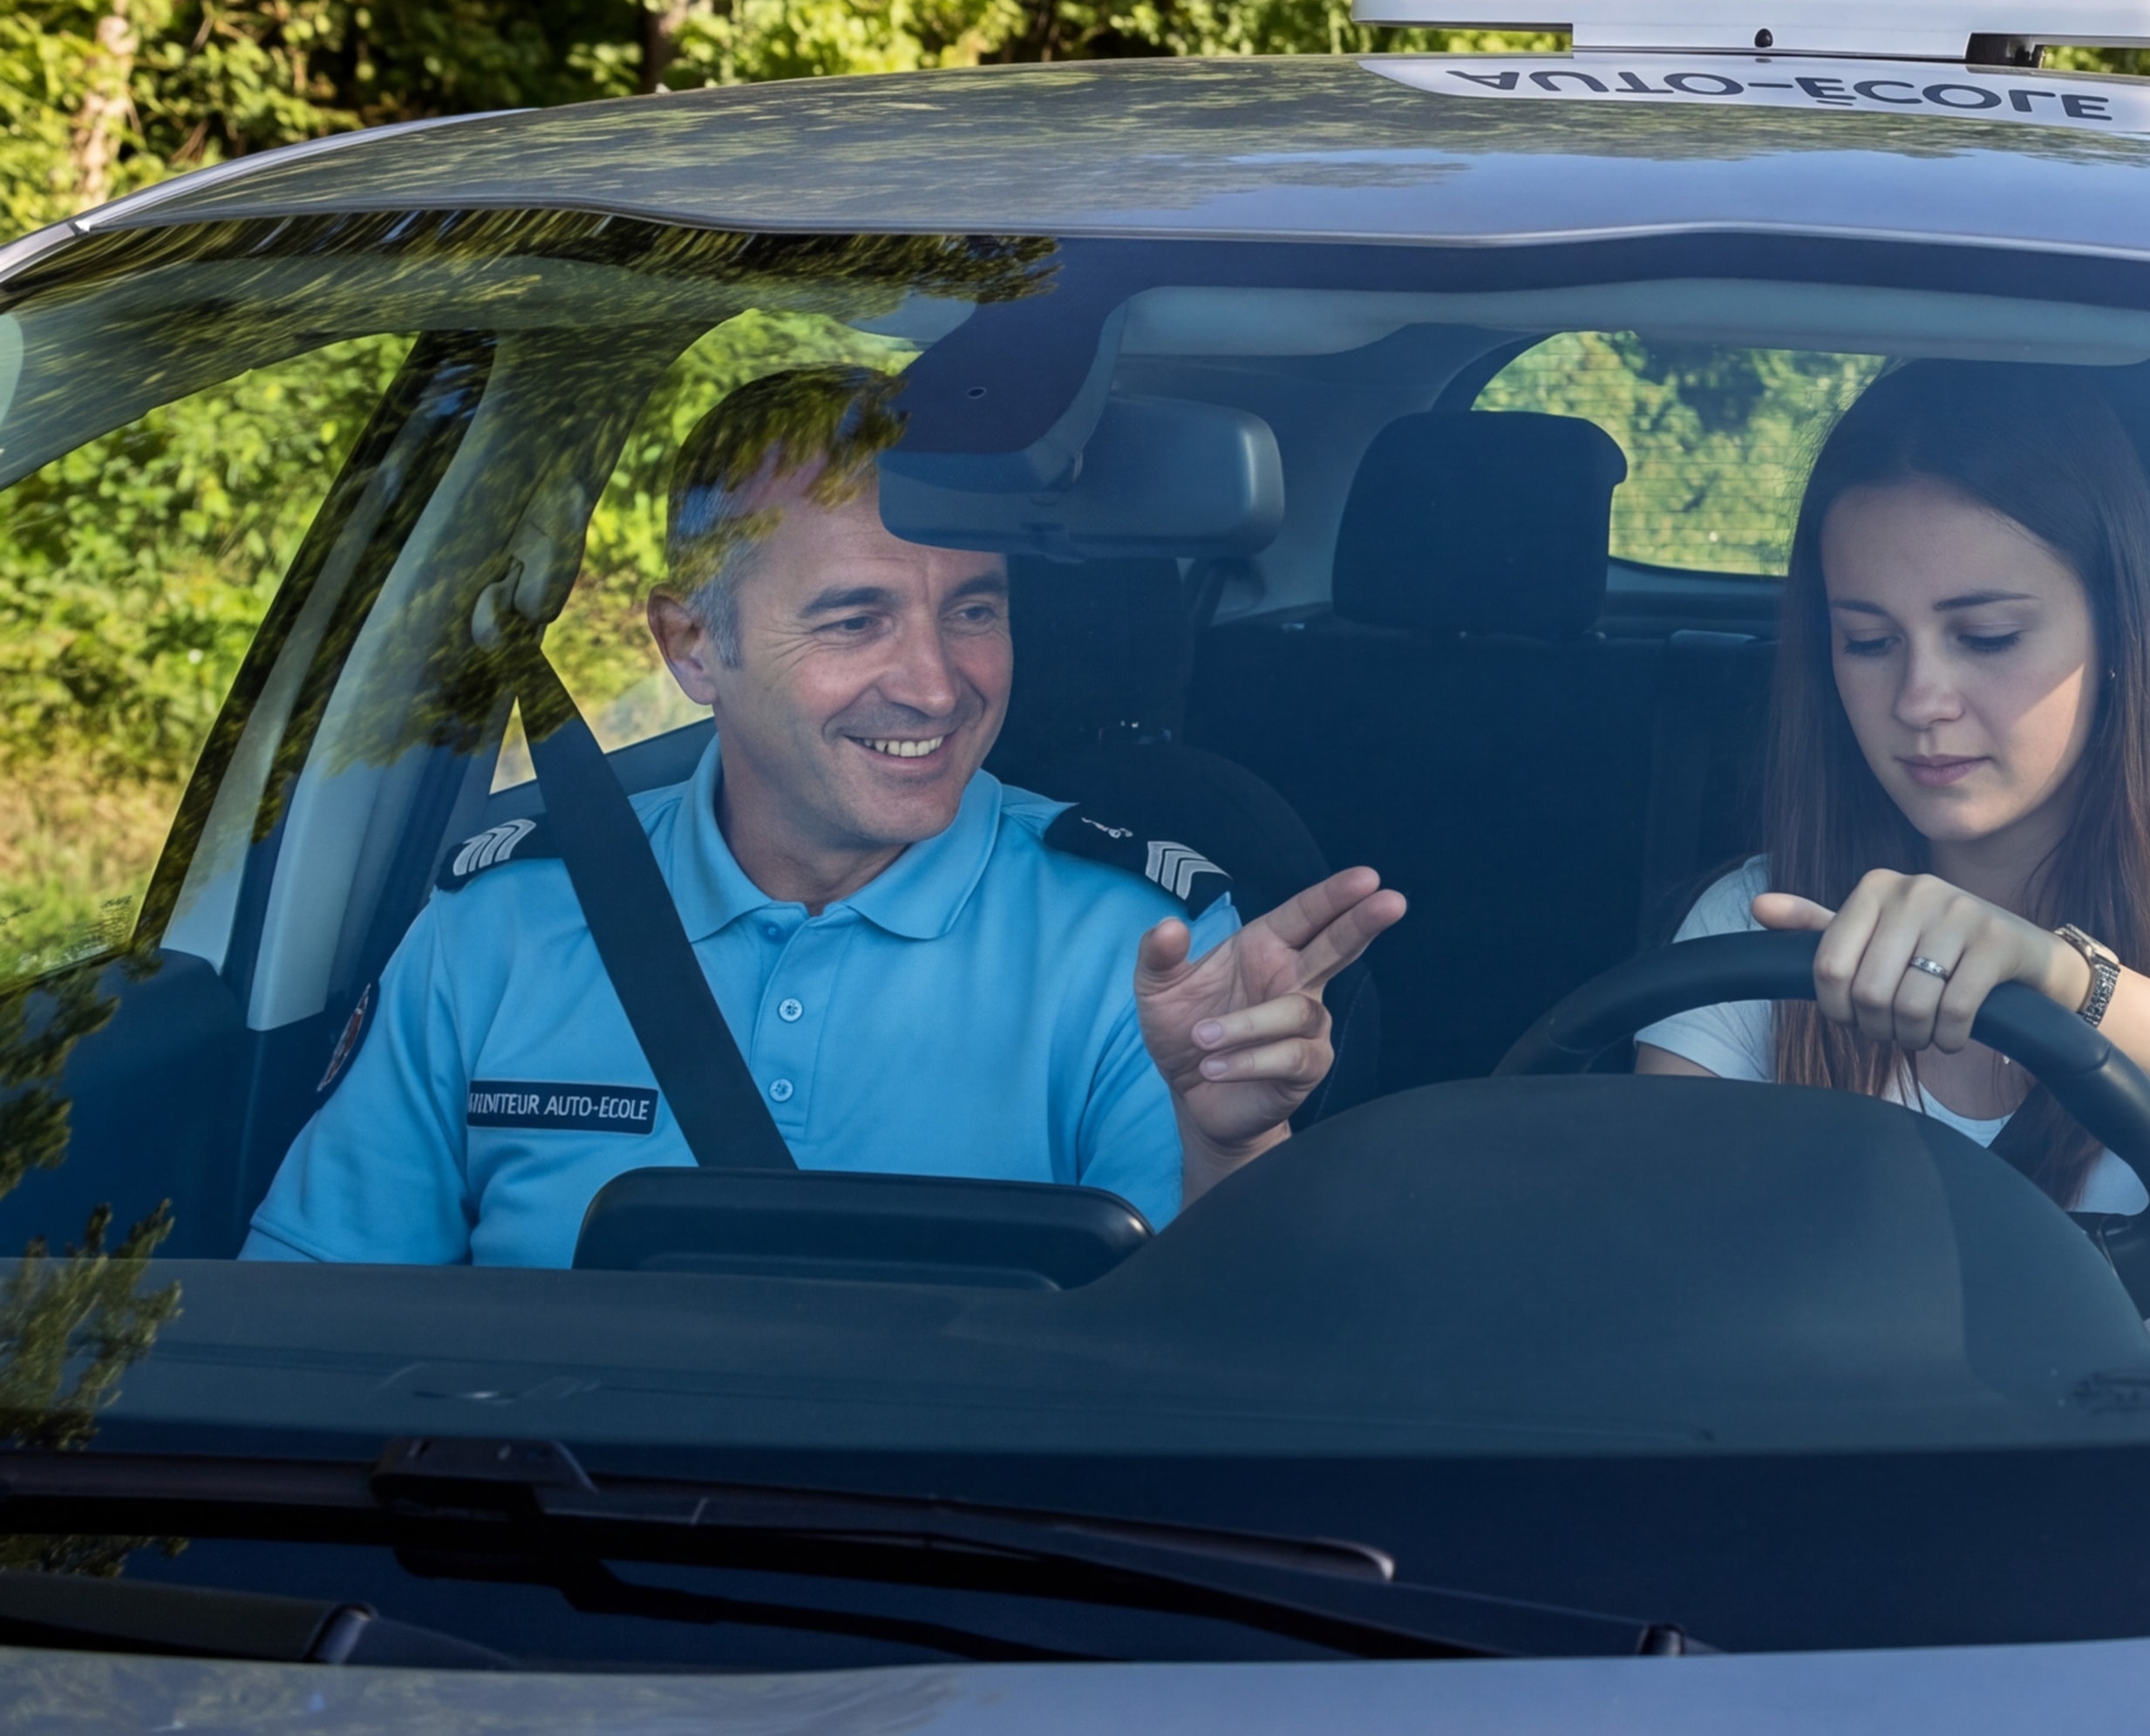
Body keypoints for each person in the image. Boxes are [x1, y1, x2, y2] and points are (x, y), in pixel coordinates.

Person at [248, 365, 1404, 1267]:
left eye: (975, 609)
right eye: (856, 622)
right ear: (693, 646)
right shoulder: (498, 927)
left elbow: (1203, 1382)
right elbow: (304, 1324)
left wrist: (1231, 1144)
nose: (938, 684)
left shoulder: (1143, 949)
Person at [1634, 364, 2150, 1246]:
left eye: (1987, 637)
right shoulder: (1766, 920)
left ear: (2118, 632)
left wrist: (2065, 979)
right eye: (1868, 642)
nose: (1921, 699)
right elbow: (1657, 1261)